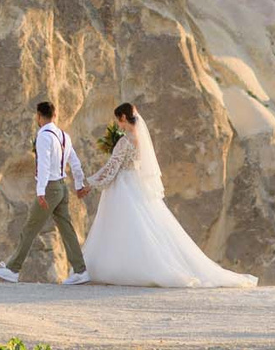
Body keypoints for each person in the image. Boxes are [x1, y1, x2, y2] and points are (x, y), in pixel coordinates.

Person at [79, 102, 256, 288]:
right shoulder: (139, 139)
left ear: (123, 117)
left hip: (123, 186)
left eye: (118, 120)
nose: (118, 124)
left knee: (121, 226)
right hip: (135, 184)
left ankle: (124, 267)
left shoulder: (124, 141)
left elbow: (112, 167)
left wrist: (90, 183)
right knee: (140, 227)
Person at [0, 100, 88, 284]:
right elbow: (75, 162)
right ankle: (81, 270)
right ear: (55, 115)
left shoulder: (44, 136)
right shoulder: (64, 136)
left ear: (39, 116)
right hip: (62, 186)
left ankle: (12, 269)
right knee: (66, 229)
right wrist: (79, 184)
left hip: (50, 187)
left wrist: (40, 191)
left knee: (30, 228)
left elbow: (43, 164)